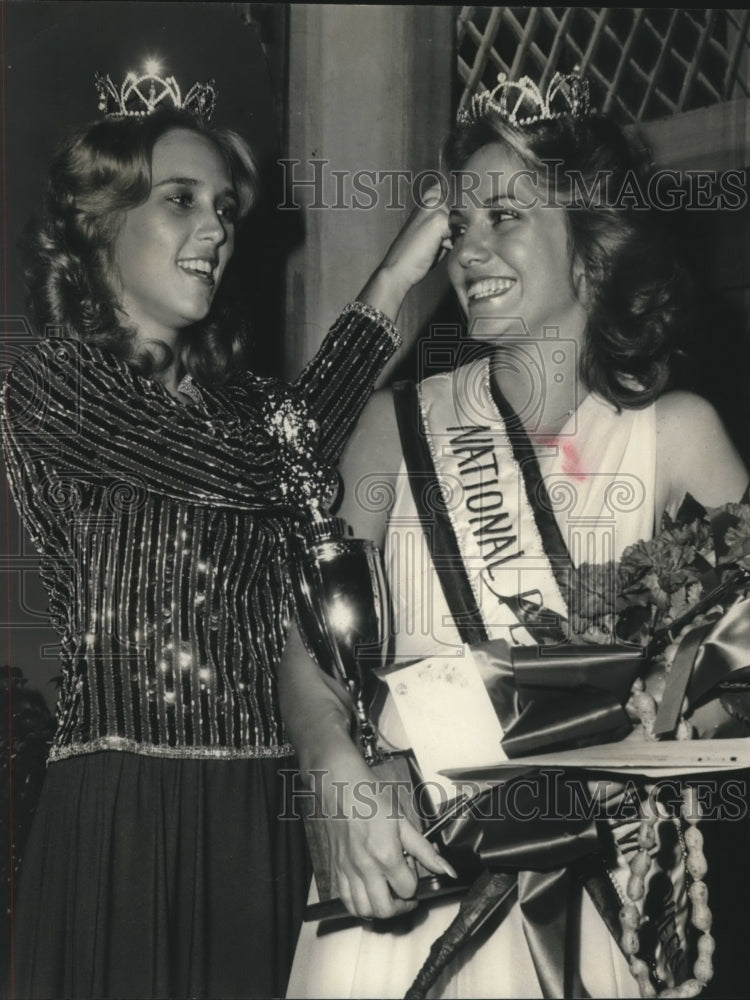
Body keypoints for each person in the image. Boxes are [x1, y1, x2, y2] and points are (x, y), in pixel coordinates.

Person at [283, 72, 749, 998]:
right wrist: (330, 762)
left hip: (583, 884)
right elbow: (304, 640)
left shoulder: (677, 433)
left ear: (591, 242)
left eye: (504, 218)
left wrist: (651, 737)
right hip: (401, 867)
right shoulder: (395, 423)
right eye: (458, 226)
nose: (467, 252)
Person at [1, 65, 452, 1000]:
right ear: (100, 224)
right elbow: (265, 469)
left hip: (266, 813)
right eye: (180, 202)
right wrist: (395, 278)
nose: (216, 229)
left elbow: (284, 449)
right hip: (126, 812)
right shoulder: (49, 383)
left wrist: (416, 261)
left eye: (224, 208)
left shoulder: (250, 408)